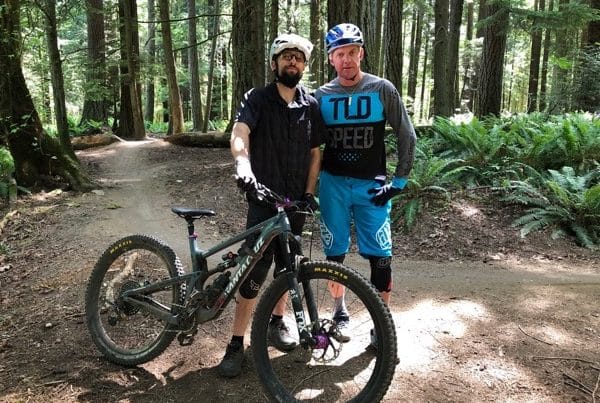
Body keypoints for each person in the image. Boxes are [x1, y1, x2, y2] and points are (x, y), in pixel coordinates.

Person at [217, 33, 324, 378]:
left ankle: (277, 321)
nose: (293, 61)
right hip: (263, 199)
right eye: (286, 56)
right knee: (253, 270)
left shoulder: (311, 105)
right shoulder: (258, 98)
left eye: (299, 57)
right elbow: (240, 133)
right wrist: (242, 165)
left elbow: (315, 153)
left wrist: (309, 192)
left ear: (304, 66)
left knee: (287, 266)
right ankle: (236, 343)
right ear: (274, 63)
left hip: (295, 202)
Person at [314, 23, 417, 345]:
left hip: (372, 187)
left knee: (381, 257)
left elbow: (406, 133)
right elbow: (309, 145)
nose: (346, 59)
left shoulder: (381, 88)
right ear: (331, 59)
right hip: (332, 186)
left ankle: (381, 326)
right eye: (340, 54)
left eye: (352, 52)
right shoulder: (321, 96)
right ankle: (339, 313)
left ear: (361, 54)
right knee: (335, 255)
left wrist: (399, 181)